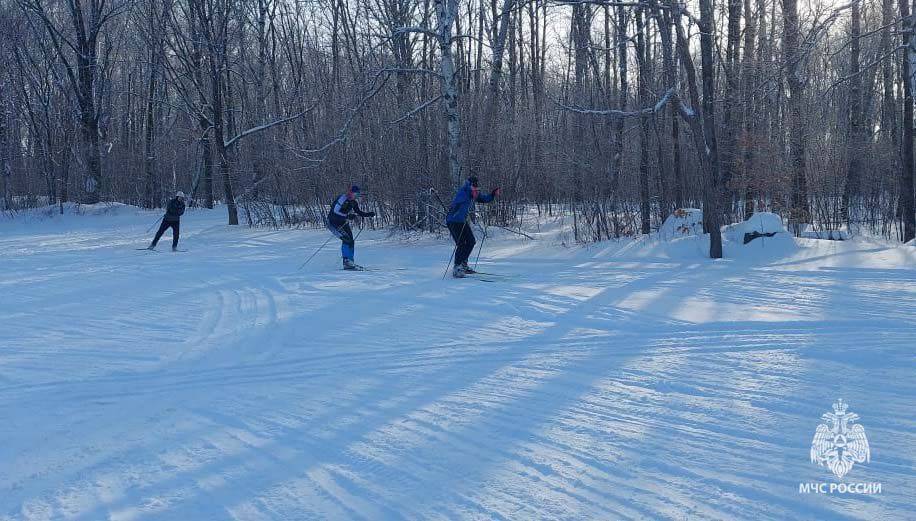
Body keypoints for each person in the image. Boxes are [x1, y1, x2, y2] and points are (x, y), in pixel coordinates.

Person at [446, 175, 500, 278]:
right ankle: (457, 268)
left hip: (462, 221)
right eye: (474, 189)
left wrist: (493, 194)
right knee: (461, 244)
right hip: (453, 221)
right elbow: (457, 202)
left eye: (477, 189)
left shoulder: (471, 193)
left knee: (471, 241)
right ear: (470, 186)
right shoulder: (463, 193)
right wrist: (470, 195)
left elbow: (484, 199)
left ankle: (463, 264)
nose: (476, 191)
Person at [327, 185, 375, 270]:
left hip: (343, 223)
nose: (355, 197)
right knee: (346, 239)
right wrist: (348, 216)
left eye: (357, 195)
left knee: (351, 241)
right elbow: (335, 211)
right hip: (333, 223)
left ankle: (350, 262)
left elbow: (359, 212)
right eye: (354, 194)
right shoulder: (342, 198)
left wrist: (368, 214)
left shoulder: (353, 202)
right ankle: (346, 262)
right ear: (350, 192)